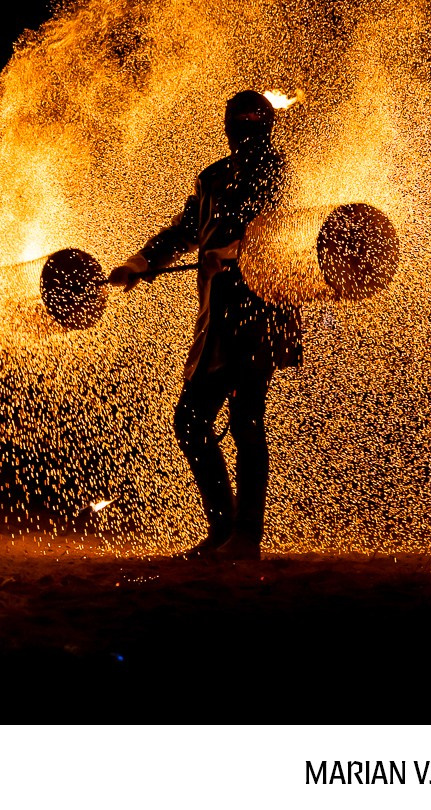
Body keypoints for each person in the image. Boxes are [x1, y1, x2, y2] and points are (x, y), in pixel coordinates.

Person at [110, 90, 301, 559]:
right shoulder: (212, 177)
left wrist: (234, 252)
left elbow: (282, 232)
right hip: (216, 319)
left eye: (252, 119)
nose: (246, 128)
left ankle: (245, 540)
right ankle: (223, 529)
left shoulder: (276, 171)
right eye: (240, 120)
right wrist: (140, 262)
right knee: (191, 421)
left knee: (246, 421)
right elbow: (184, 231)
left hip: (260, 314)